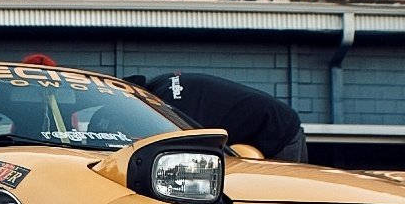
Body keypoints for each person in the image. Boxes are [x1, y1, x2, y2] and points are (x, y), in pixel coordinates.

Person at [130, 71, 308, 162]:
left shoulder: (168, 106)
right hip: (273, 121)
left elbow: (195, 146)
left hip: (280, 132)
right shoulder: (163, 83)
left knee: (274, 203)